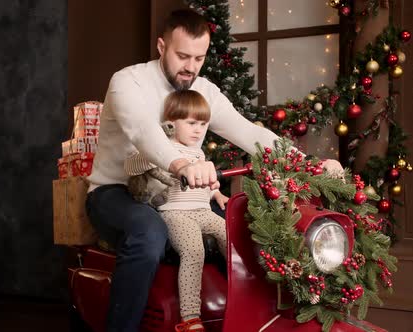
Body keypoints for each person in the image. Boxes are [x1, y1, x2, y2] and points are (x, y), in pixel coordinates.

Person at [85, 9, 344, 332]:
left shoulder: (203, 91)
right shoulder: (128, 81)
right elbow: (142, 132)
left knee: (240, 230)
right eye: (182, 56)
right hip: (118, 191)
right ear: (162, 46)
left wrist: (310, 165)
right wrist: (182, 164)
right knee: (149, 234)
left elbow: (249, 132)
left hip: (179, 197)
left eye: (199, 58)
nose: (190, 67)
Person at [124, 90, 229, 331]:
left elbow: (206, 184)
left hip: (203, 211)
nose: (198, 130)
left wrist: (216, 193)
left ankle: (241, 297)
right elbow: (132, 166)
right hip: (176, 213)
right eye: (191, 123)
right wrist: (153, 152)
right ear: (171, 123)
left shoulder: (199, 153)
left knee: (232, 242)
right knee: (194, 250)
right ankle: (190, 316)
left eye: (203, 124)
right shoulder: (162, 149)